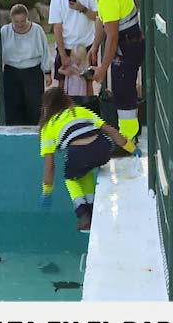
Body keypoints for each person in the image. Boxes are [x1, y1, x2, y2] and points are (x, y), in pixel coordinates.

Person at [38, 87, 141, 231]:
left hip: (78, 154)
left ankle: (82, 213)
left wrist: (47, 190)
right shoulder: (80, 111)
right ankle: (92, 208)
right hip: (102, 148)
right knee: (83, 171)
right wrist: (132, 148)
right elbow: (110, 131)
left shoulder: (48, 127)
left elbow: (49, 165)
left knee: (71, 178)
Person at [75, 0, 145, 149]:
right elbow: (100, 20)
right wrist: (95, 46)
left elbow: (112, 37)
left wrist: (102, 69)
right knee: (121, 92)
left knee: (124, 93)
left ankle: (128, 140)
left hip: (128, 47)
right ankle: (126, 137)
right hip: (124, 46)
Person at [49, 0, 98, 90]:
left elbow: (97, 17)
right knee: (62, 83)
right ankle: (63, 108)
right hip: (67, 46)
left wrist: (82, 8)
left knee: (88, 82)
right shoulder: (56, 0)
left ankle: (88, 107)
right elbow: (57, 28)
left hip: (86, 44)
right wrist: (63, 54)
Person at [0, 4, 50, 125]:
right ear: (11, 19)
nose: (20, 24)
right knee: (13, 106)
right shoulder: (4, 31)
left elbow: (45, 51)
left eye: (22, 21)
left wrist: (47, 72)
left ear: (27, 17)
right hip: (11, 72)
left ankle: (34, 133)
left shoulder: (37, 30)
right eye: (16, 21)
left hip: (32, 71)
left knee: (34, 106)